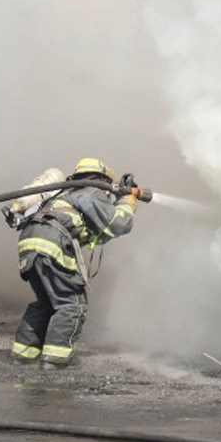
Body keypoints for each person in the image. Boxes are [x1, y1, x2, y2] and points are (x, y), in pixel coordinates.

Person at [8, 157, 140, 369]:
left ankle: (23, 355)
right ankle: (55, 361)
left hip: (30, 241)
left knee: (46, 302)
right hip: (52, 243)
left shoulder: (64, 192)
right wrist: (127, 202)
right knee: (71, 305)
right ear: (103, 179)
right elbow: (118, 224)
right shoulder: (91, 192)